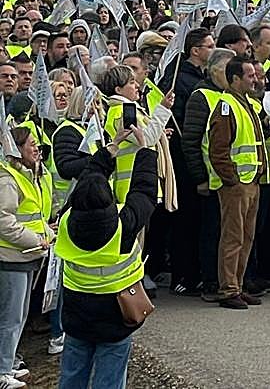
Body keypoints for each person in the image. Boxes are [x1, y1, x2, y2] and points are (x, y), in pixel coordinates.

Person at [55, 126, 155, 389]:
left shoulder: (66, 219)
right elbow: (144, 191)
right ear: (108, 198)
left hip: (77, 313)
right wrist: (144, 150)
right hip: (116, 313)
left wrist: (109, 150)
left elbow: (88, 181)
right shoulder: (123, 225)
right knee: (109, 380)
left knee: (72, 374)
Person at [202, 56, 267, 310]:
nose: (255, 79)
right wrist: (232, 180)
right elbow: (218, 150)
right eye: (249, 76)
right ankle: (228, 289)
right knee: (233, 238)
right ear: (235, 79)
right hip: (237, 185)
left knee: (246, 237)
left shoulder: (248, 104)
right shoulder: (226, 106)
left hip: (250, 181)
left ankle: (237, 286)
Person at [0, 126, 51, 389]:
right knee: (10, 316)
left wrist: (46, 234)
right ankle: (2, 370)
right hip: (12, 257)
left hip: (27, 256)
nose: (37, 148)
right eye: (31, 143)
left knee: (18, 315)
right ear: (17, 148)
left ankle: (7, 364)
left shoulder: (28, 177)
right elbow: (4, 222)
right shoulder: (8, 179)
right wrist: (36, 240)